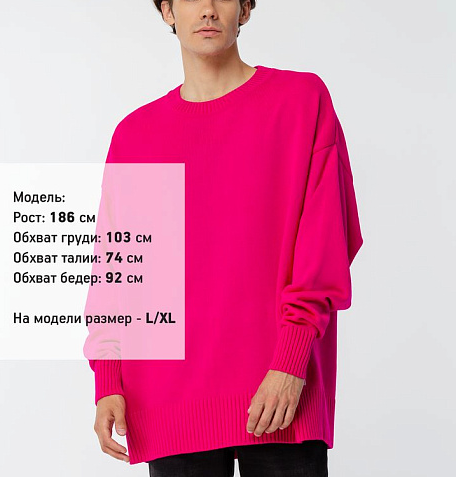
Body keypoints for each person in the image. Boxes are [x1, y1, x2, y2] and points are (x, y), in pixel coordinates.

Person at [84, 1, 364, 475]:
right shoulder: (135, 136)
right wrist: (108, 379)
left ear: (246, 9)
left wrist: (291, 360)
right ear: (168, 11)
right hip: (166, 397)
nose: (208, 10)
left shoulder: (301, 101)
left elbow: (327, 243)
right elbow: (120, 271)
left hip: (279, 389)